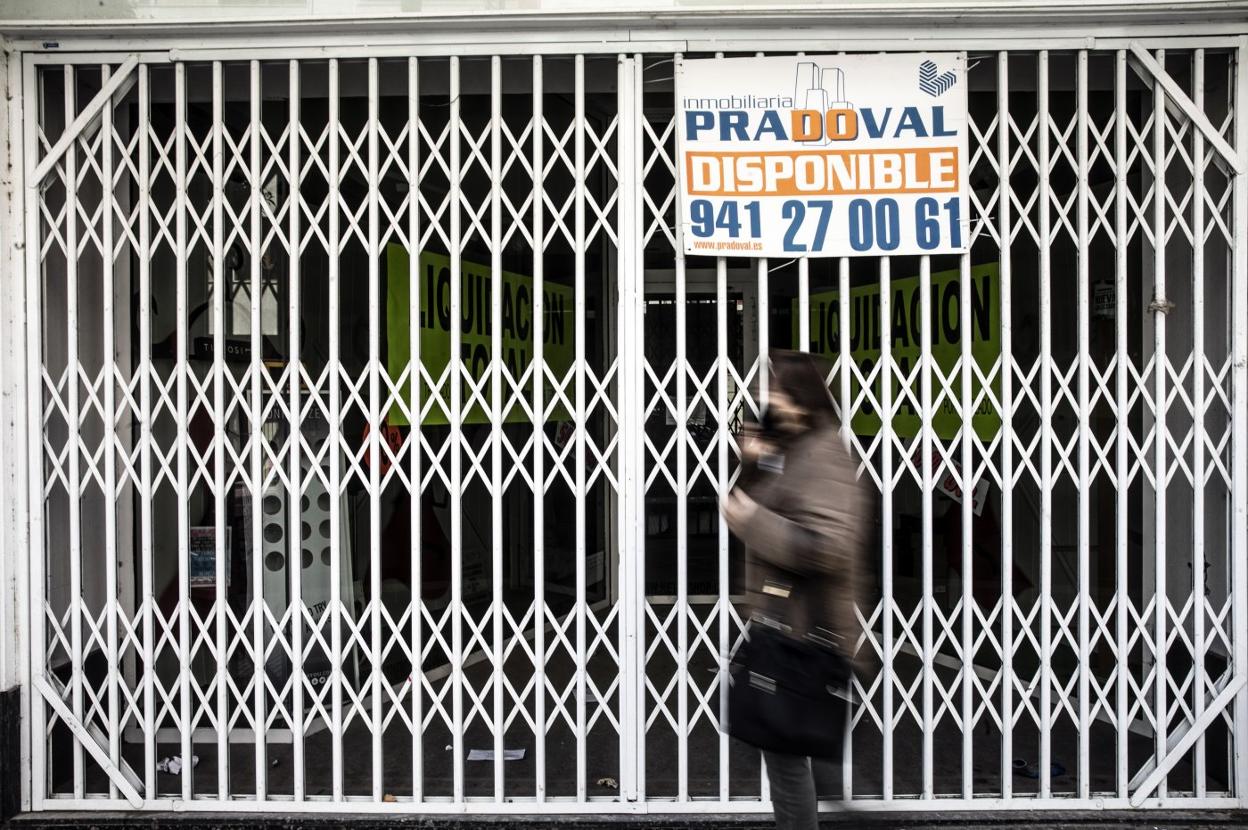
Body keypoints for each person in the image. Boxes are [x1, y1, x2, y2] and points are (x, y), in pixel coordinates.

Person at [721, 349, 872, 830]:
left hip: (807, 632)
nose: (766, 399)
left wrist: (754, 521)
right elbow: (755, 504)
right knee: (791, 752)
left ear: (799, 396)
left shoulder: (822, 452)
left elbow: (827, 546)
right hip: (784, 627)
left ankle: (844, 812)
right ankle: (846, 807)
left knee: (787, 762)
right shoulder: (791, 447)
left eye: (775, 390)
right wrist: (751, 463)